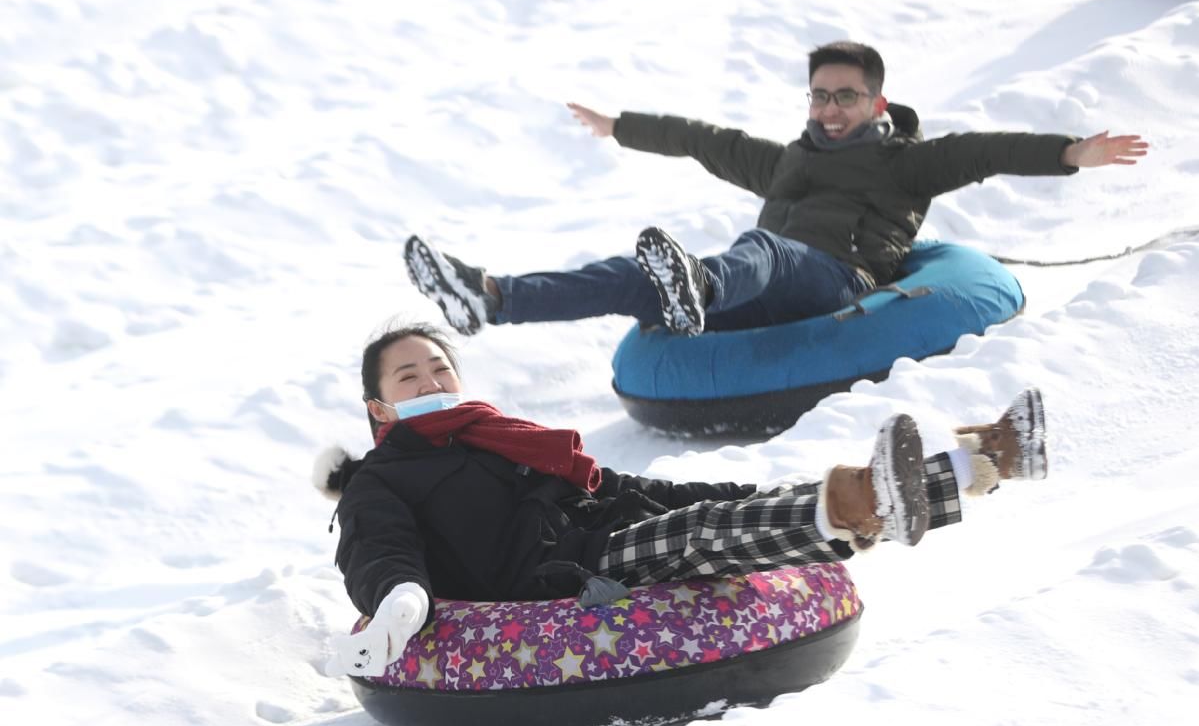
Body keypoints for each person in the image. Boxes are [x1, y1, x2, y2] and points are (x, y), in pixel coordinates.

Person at [319, 324, 1047, 677]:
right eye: (409, 376)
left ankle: (976, 464)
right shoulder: (380, 479)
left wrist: (754, 493)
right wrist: (398, 601)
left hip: (588, 545)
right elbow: (380, 547)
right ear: (379, 407)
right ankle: (870, 496)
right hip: (540, 588)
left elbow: (625, 491)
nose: (432, 380)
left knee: (719, 510)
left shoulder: (502, 440)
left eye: (440, 365)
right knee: (697, 534)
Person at [401, 40, 1148, 338]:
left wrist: (1069, 152)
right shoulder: (785, 162)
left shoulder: (905, 164)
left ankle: (698, 283)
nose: (828, 107)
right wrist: (617, 125)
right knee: (631, 275)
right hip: (753, 288)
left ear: (876, 105)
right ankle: (494, 298)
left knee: (761, 246)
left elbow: (985, 150)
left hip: (838, 282)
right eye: (819, 95)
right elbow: (704, 141)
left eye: (844, 96)